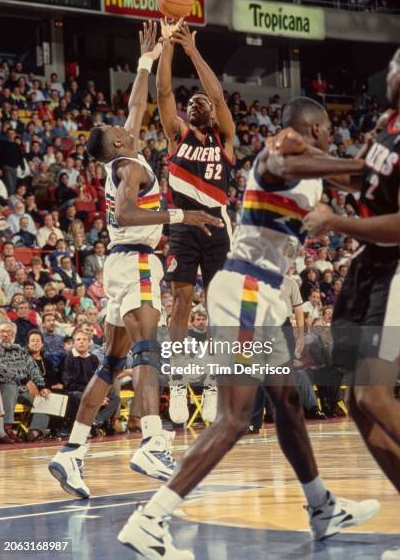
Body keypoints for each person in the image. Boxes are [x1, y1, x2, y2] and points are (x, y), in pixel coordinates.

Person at [119, 98, 380, 556]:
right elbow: (293, 157)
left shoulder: (311, 172)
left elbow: (358, 177)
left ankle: (322, 508)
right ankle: (150, 518)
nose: (328, 136)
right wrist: (366, 161)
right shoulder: (284, 145)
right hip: (244, 295)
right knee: (235, 418)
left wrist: (374, 165)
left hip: (263, 300)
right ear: (316, 128)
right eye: (326, 130)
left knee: (289, 400)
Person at [48, 22, 221, 498]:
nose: (128, 126)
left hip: (121, 264)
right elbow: (125, 213)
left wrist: (146, 59)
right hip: (138, 262)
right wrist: (182, 213)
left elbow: (137, 104)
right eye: (119, 130)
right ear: (118, 144)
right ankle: (151, 441)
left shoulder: (122, 157)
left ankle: (71, 453)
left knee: (113, 361)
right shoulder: (128, 166)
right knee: (147, 351)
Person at [304, 48, 400, 495]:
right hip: (370, 262)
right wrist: (309, 158)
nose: (392, 69)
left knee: (373, 395)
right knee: (356, 404)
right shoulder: (387, 124)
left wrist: (335, 221)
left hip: (396, 267)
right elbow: (362, 178)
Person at [157, 20, 235, 422]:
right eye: (192, 104)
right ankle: (176, 379)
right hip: (184, 227)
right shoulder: (177, 136)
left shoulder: (225, 139)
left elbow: (219, 97)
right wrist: (167, 47)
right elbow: (165, 92)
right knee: (182, 304)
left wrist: (192, 50)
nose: (194, 104)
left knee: (219, 307)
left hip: (219, 227)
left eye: (200, 102)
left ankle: (214, 381)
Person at [0, 322, 49, 443]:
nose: (5, 335)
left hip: (25, 390)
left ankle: (34, 431)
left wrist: (41, 387)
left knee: (46, 399)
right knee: (10, 386)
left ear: (14, 335)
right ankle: (7, 428)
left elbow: (34, 370)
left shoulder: (22, 351)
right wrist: (25, 380)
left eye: (9, 332)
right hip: (3, 389)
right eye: (2, 332)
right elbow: (2, 371)